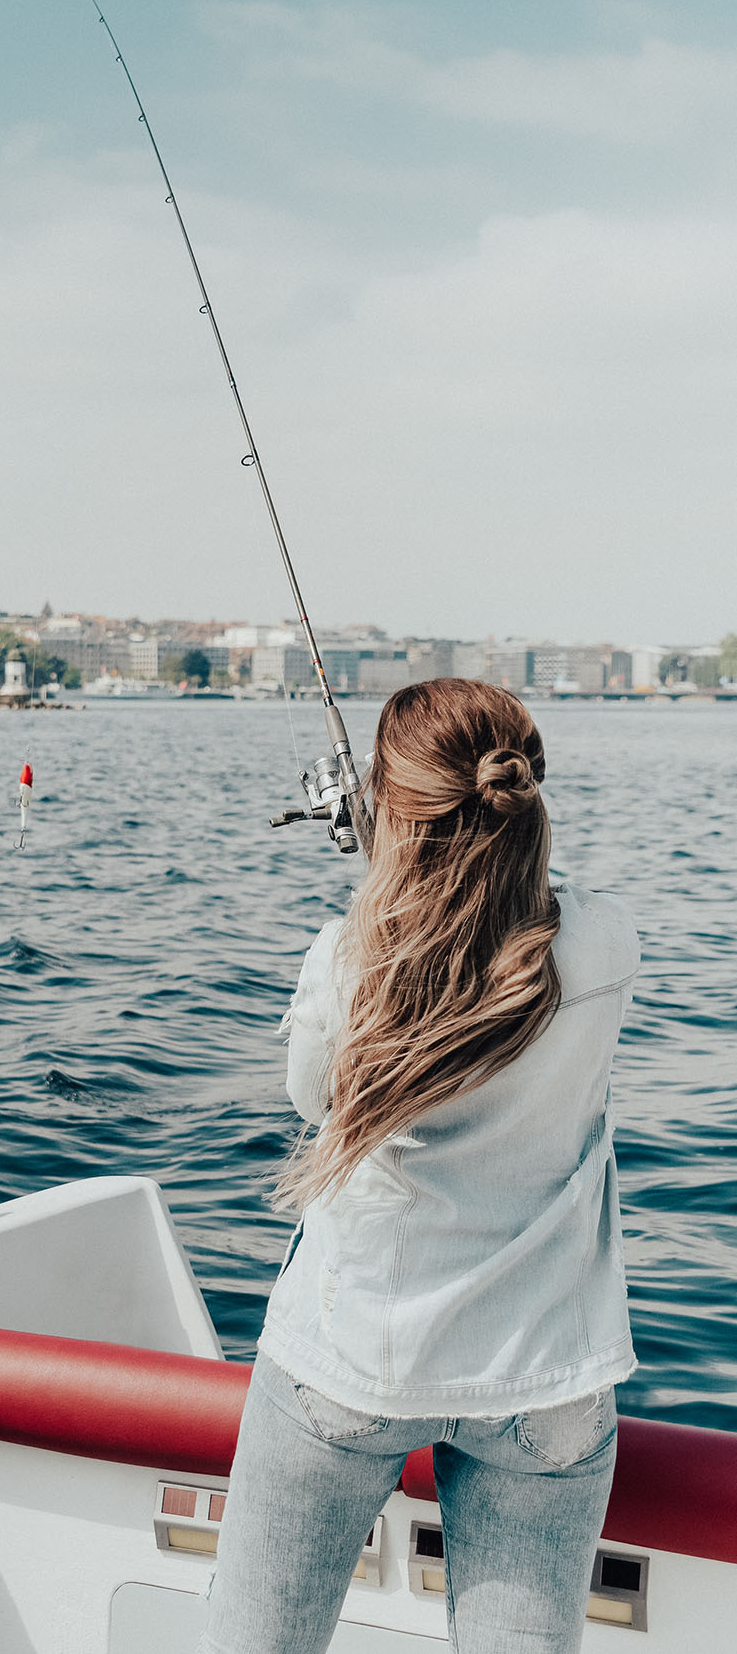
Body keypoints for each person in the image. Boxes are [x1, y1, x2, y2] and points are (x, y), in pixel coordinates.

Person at [199, 678, 639, 1654]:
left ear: (391, 813)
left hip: (355, 1367)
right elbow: (509, 934)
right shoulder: (608, 942)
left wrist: (382, 874)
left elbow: (316, 1099)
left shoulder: (345, 961)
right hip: (548, 1379)